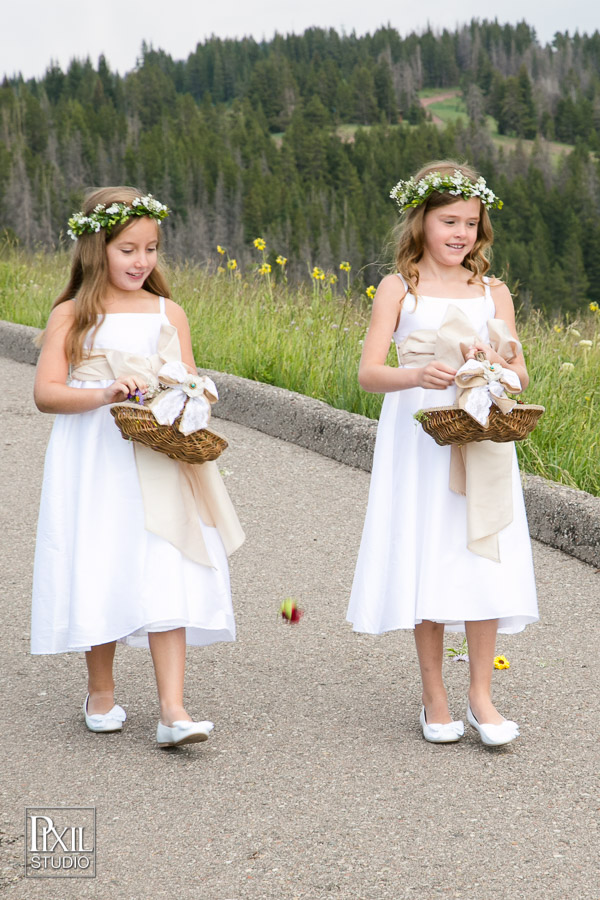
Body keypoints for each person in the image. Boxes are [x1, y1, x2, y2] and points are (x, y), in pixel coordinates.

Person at [32, 186, 244, 748]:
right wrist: (105, 393)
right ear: (96, 249)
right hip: (96, 453)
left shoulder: (166, 311)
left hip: (157, 449)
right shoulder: (73, 313)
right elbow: (47, 394)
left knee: (166, 556)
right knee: (103, 554)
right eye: (128, 249)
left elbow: (190, 380)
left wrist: (189, 395)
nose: (142, 261)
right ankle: (99, 688)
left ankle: (173, 708)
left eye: (150, 248)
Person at [347, 161, 538, 747]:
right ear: (421, 221)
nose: (460, 233)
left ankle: (482, 696)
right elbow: (368, 374)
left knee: (482, 553)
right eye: (448, 221)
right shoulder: (398, 288)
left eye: (470, 224)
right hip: (419, 437)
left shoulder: (493, 292)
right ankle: (435, 694)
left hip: (481, 434)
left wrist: (496, 364)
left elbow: (521, 375)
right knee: (429, 551)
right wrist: (415, 377)